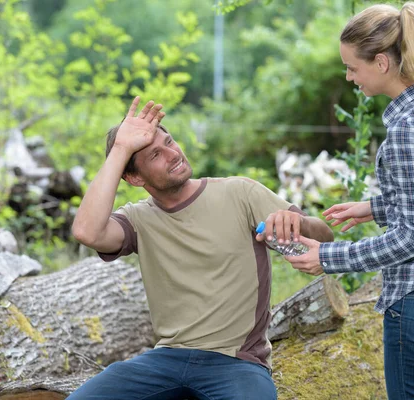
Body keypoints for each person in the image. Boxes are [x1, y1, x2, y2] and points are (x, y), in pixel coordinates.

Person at [69, 97, 333, 400]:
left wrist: (300, 223)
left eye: (170, 142)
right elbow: (86, 231)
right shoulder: (138, 220)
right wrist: (120, 149)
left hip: (237, 363)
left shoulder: (239, 192)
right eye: (156, 154)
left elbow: (325, 241)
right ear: (134, 177)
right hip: (165, 361)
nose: (173, 154)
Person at [286, 2, 414, 399]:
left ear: (382, 63)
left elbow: (413, 238)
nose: (349, 76)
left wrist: (327, 257)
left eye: (353, 68)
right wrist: (374, 207)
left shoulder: (406, 131)